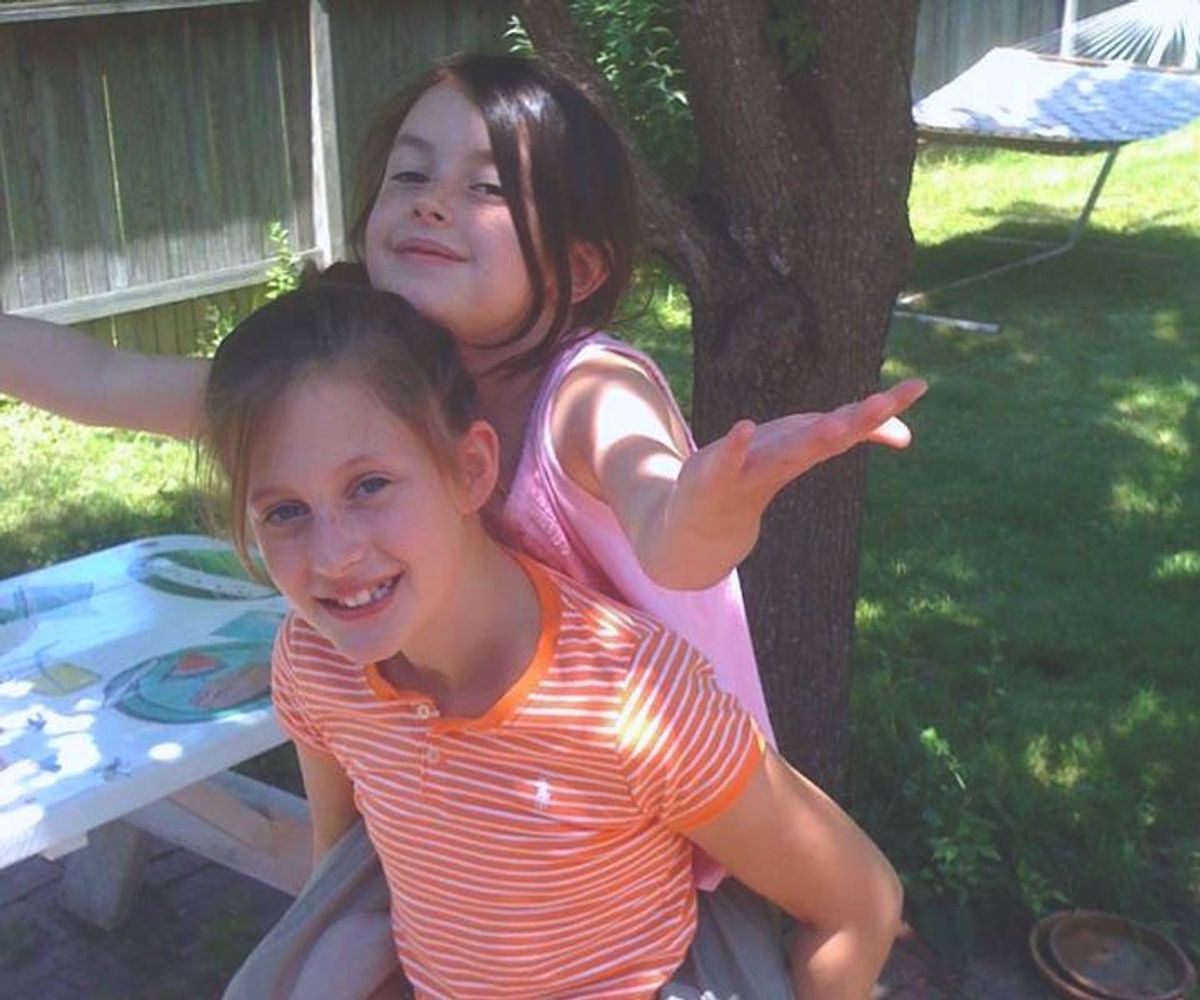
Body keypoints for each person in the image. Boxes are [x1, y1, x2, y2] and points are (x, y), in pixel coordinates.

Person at [0, 53, 924, 997]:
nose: (433, 203)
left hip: (622, 784)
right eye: (410, 173)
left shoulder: (587, 389)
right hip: (456, 769)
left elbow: (666, 528)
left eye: (486, 187)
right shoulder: (326, 384)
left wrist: (713, 500)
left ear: (578, 266)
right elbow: (102, 381)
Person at [201, 277, 903, 1000]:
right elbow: (342, 870)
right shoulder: (317, 665)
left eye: (369, 485)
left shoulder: (632, 701)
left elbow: (860, 905)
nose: (334, 554)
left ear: (471, 469)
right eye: (284, 512)